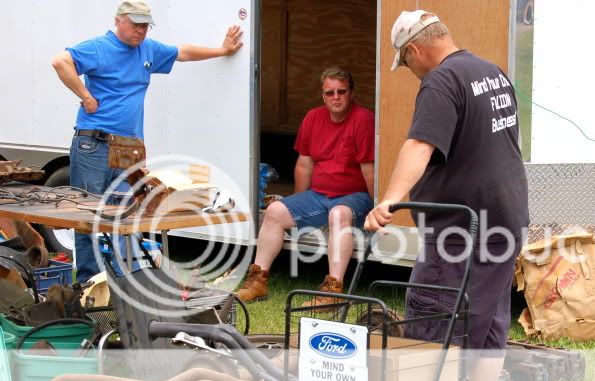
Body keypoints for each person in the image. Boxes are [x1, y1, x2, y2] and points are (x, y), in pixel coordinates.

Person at [364, 11, 529, 381]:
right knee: (491, 316)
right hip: (506, 215)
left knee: (433, 313)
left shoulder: (441, 80)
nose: (411, 71)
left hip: (462, 226)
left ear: (415, 50)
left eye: (407, 61)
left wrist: (389, 200)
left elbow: (420, 145)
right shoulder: (491, 72)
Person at [52, 1, 243, 283]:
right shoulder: (99, 47)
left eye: (145, 26)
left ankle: (122, 281)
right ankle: (89, 284)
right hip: (94, 145)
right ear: (119, 21)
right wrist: (85, 96)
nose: (141, 31)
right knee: (89, 216)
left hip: (128, 148)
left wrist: (223, 50)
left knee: (127, 215)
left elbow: (183, 52)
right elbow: (61, 62)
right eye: (136, 25)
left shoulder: (148, 50)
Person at [236, 67, 375, 303]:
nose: (336, 97)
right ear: (323, 95)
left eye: (341, 91)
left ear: (351, 93)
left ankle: (333, 292)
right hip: (319, 195)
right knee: (275, 211)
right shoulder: (313, 117)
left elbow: (369, 170)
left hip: (355, 196)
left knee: (339, 213)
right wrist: (296, 206)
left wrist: (376, 208)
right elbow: (304, 165)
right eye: (330, 93)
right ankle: (258, 281)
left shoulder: (363, 119)